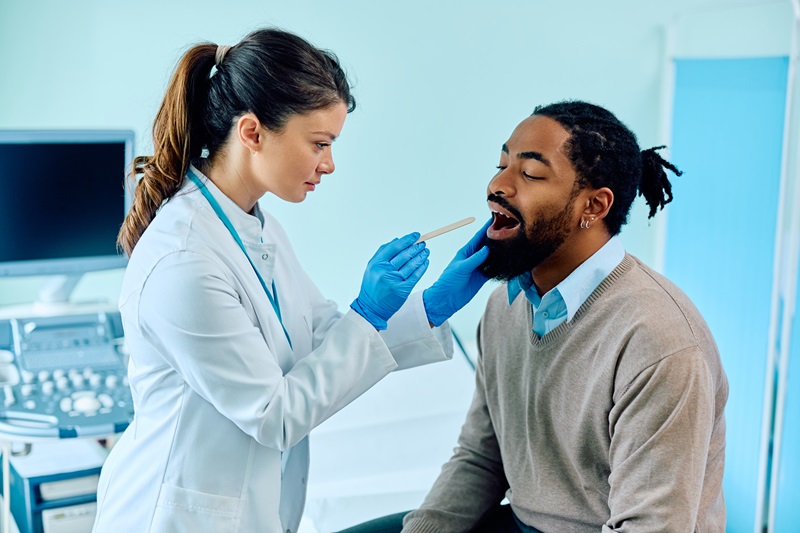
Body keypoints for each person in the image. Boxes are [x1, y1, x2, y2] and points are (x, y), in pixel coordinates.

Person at [92, 28, 490, 533]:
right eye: (319, 144)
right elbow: (273, 414)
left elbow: (319, 336)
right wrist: (368, 313)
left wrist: (428, 308)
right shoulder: (183, 260)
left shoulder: (256, 224)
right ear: (253, 132)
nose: (329, 164)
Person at [341, 100, 728, 533]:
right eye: (502, 164)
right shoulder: (504, 306)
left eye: (530, 173)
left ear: (594, 207)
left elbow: (651, 526)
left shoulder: (659, 339)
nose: (497, 184)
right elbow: (482, 458)